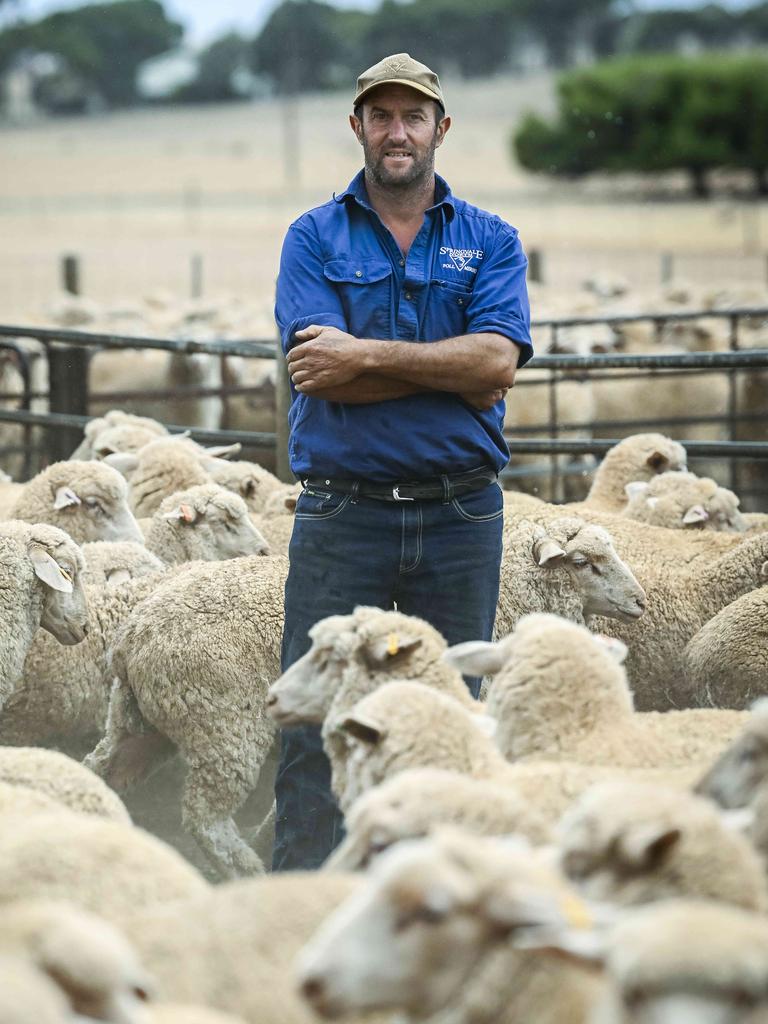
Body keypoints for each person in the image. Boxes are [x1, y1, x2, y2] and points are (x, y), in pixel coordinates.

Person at [272, 52, 533, 870]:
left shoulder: (490, 239)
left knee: (451, 716)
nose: (396, 131)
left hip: (461, 515)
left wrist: (369, 356)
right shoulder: (313, 236)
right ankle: (305, 904)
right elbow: (320, 374)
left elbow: (496, 365)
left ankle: (439, 901)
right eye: (380, 116)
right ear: (357, 127)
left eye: (412, 116)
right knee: (319, 722)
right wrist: (446, 376)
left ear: (439, 129)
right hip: (343, 514)